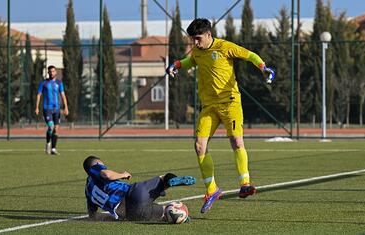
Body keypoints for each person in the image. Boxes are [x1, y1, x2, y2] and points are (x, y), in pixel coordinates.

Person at [166, 18, 275, 213]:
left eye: (198, 39)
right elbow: (190, 61)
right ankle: (212, 189)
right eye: (193, 40)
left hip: (230, 103)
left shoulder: (225, 47)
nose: (195, 43)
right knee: (199, 146)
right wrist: (176, 65)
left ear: (208, 34)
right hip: (208, 106)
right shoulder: (198, 51)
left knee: (236, 140)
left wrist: (263, 68)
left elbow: (250, 55)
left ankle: (245, 183)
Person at [83, 155, 196, 222]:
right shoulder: (95, 169)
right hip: (132, 194)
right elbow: (106, 174)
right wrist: (123, 174)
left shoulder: (88, 191)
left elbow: (93, 216)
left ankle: (181, 217)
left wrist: (112, 216)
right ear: (97, 162)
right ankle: (169, 181)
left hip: (129, 214)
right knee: (163, 179)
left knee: (164, 213)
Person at [35, 65, 69, 155]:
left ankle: (53, 149)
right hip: (47, 108)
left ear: (55, 72)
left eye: (53, 71)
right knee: (51, 127)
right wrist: (37, 107)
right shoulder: (44, 83)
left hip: (56, 109)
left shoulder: (59, 83)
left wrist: (66, 107)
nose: (51, 73)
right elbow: (39, 95)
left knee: (56, 129)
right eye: (50, 71)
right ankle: (48, 143)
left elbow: (63, 95)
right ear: (48, 72)